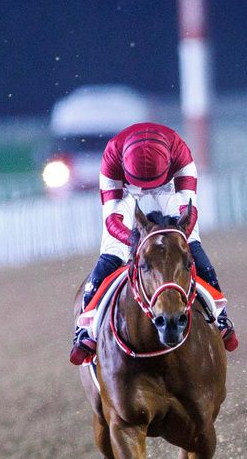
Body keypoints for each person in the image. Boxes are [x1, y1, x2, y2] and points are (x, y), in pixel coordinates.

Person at [69, 122, 237, 364]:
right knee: (111, 254)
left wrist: (177, 238)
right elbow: (112, 220)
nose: (149, 189)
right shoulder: (111, 158)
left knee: (191, 247)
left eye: (151, 182)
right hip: (127, 191)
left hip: (168, 187)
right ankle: (86, 330)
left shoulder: (181, 153)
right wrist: (136, 241)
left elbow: (188, 213)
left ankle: (220, 316)